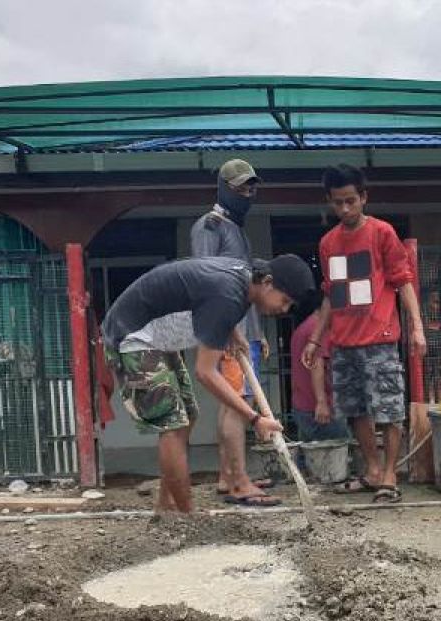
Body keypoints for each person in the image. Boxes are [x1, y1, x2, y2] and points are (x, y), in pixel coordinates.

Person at [102, 255, 314, 514]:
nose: (284, 309)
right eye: (285, 300)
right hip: (133, 337)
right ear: (268, 283)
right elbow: (206, 372)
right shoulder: (228, 294)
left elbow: (208, 296)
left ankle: (167, 508)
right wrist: (255, 418)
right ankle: (188, 517)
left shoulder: (244, 278)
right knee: (172, 424)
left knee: (187, 416)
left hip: (158, 339)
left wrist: (232, 333)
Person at [301, 164, 426, 504]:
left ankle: (389, 475)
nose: (345, 209)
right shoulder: (328, 243)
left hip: (380, 339)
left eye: (351, 201)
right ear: (329, 201)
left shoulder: (382, 233)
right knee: (355, 409)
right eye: (338, 202)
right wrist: (316, 338)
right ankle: (372, 469)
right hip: (343, 342)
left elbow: (403, 282)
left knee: (388, 409)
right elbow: (330, 293)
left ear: (364, 198)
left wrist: (416, 327)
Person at [190, 158, 276, 505]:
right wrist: (225, 330)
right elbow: (205, 280)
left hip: (245, 331)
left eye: (251, 186)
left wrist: (257, 331)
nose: (247, 193)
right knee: (235, 405)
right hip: (228, 332)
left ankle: (230, 476)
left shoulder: (236, 228)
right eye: (240, 187)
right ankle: (237, 481)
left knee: (239, 402)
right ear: (223, 188)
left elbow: (245, 287)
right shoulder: (209, 227)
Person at [290, 311, 350, 442]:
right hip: (319, 410)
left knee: (309, 456)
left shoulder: (303, 328)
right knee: (335, 455)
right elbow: (317, 365)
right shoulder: (318, 331)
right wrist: (321, 402)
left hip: (303, 407)